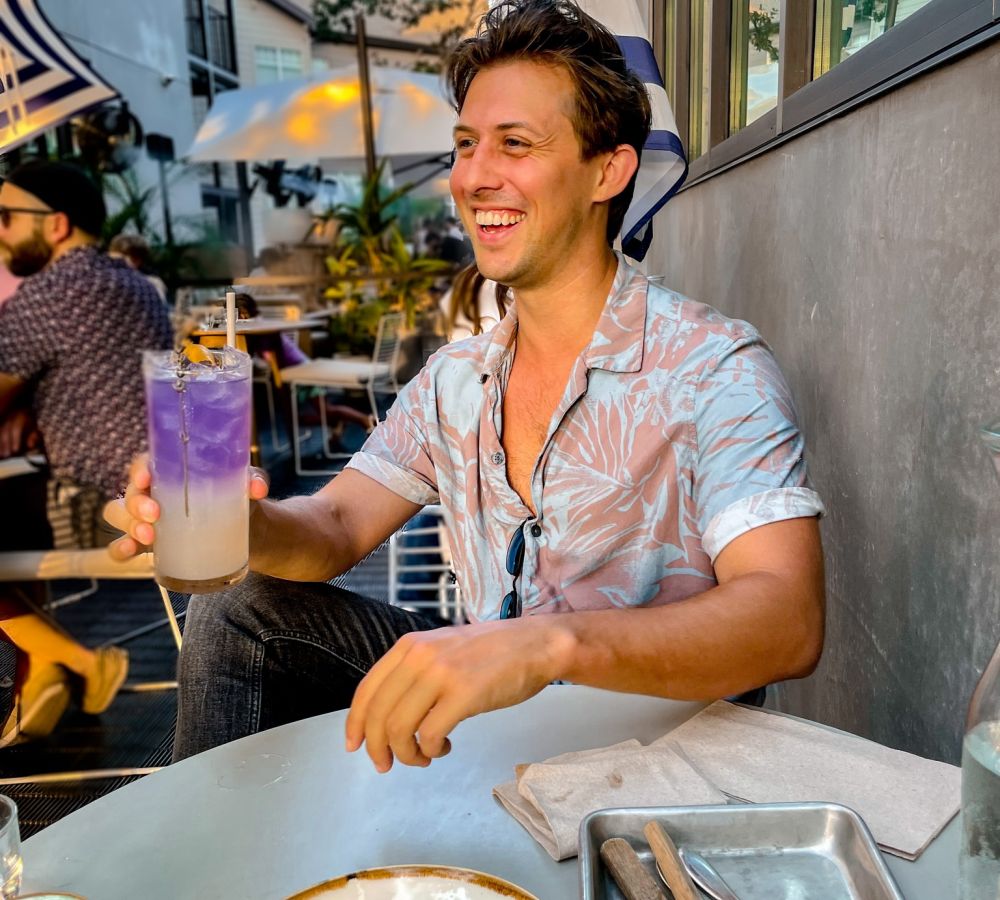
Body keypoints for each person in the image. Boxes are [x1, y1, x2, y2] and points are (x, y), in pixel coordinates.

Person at [107, 0, 825, 769]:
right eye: (465, 146)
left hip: (653, 750)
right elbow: (337, 527)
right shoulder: (458, 378)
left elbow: (787, 619)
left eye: (515, 145)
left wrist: (543, 645)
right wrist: (247, 526)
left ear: (608, 170)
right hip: (492, 728)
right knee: (234, 603)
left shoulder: (713, 367)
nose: (474, 177)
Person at [0, 160, 174, 746]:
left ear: (55, 225)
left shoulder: (46, 296)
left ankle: (66, 660)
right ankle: (47, 671)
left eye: (6, 217)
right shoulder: (134, 284)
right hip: (161, 491)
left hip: (100, 508)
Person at [108, 233, 167, 299]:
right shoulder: (103, 279)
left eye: (135, 258)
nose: (128, 261)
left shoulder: (153, 284)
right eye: (123, 255)